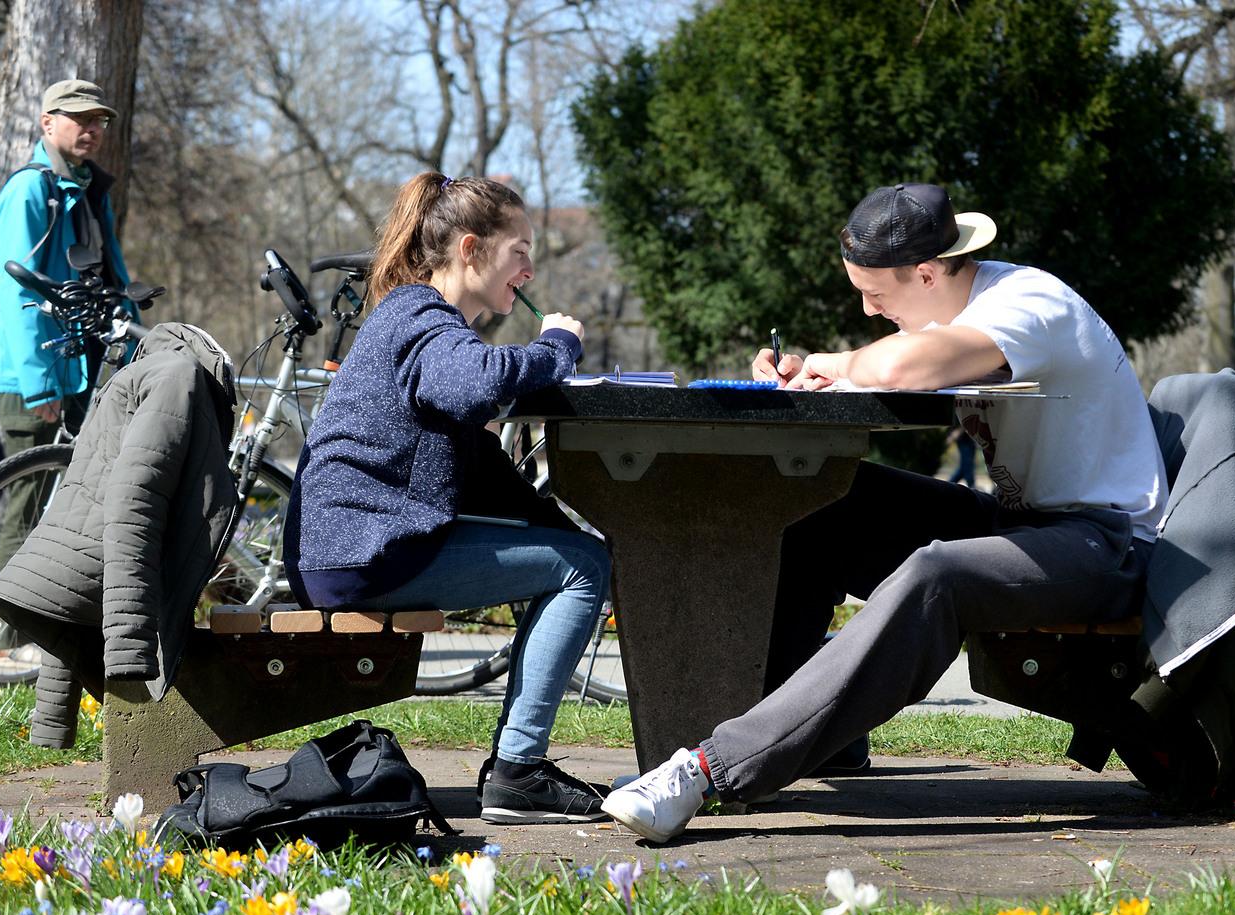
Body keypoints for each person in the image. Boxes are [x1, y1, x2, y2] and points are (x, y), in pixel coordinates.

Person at [601, 182, 1166, 843]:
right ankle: (812, 736)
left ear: (927, 273)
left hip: (1107, 542)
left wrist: (829, 362)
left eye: (875, 295)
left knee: (938, 575)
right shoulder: (958, 311)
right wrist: (814, 374)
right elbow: (894, 363)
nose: (869, 311)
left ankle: (710, 769)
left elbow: (907, 367)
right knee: (824, 505)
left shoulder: (1028, 303)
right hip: (1028, 524)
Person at [282, 173, 613, 825]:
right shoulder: (422, 319)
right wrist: (559, 345)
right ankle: (519, 772)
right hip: (363, 555)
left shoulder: (415, 319)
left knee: (581, 558)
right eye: (519, 249)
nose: (530, 266)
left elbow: (482, 460)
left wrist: (560, 529)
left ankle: (520, 768)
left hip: (351, 551)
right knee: (583, 569)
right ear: (470, 249)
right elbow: (480, 385)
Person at [0, 78, 132, 659]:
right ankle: (9, 640)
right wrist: (39, 383)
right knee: (26, 503)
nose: (90, 129)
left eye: (98, 120)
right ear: (48, 124)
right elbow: (14, 288)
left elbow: (111, 279)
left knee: (65, 506)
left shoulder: (91, 191)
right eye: (77, 119)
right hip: (32, 376)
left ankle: (48, 630)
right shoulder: (28, 191)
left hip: (81, 370)